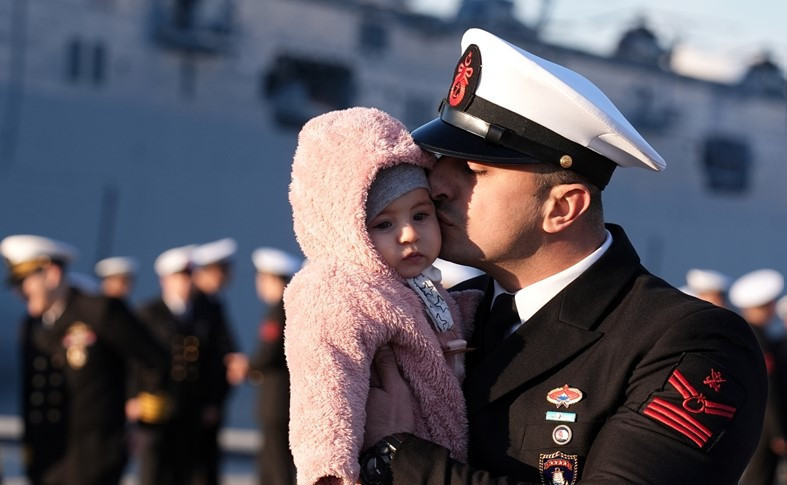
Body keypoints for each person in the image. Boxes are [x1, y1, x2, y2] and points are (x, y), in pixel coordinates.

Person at [361, 28, 768, 484]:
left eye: (474, 170)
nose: (436, 185)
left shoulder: (690, 343)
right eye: (441, 162)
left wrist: (399, 456)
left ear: (563, 208)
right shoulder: (441, 310)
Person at [284, 107, 483, 485]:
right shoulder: (337, 291)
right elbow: (325, 385)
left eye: (421, 215)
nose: (409, 234)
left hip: (430, 466)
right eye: (384, 224)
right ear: (345, 230)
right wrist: (329, 471)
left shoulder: (416, 285)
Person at [0, 234, 169, 485]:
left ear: (52, 274)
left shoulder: (98, 311)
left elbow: (153, 359)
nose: (19, 292)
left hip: (93, 457)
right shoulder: (31, 326)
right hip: (48, 459)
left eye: (25, 282)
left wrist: (147, 425)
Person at [133, 244, 229, 485]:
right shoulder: (149, 313)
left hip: (194, 407)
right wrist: (133, 396)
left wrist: (214, 401)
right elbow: (134, 359)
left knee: (190, 471)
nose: (185, 283)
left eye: (189, 276)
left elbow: (217, 361)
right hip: (156, 405)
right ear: (164, 280)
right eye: (179, 277)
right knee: (155, 471)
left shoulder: (209, 311)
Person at [247, 246, 302, 485]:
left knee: (275, 465)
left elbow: (268, 353)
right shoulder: (288, 308)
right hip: (281, 402)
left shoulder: (279, 310)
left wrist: (246, 366)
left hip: (276, 401)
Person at [730, 269, 786, 485]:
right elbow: (768, 389)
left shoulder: (750, 334)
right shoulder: (757, 339)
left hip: (756, 422)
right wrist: (778, 431)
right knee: (759, 477)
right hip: (763, 425)